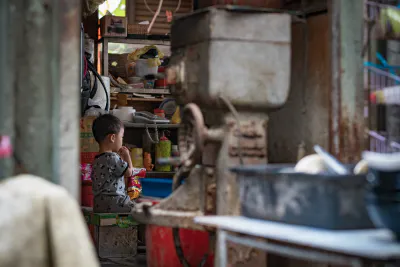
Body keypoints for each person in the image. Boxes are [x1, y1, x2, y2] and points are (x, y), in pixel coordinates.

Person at [91, 114, 135, 213]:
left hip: (99, 205)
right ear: (112, 137)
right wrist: (127, 156)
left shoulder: (97, 159)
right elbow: (129, 173)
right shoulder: (113, 157)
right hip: (115, 202)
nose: (122, 141)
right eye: (122, 137)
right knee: (142, 210)